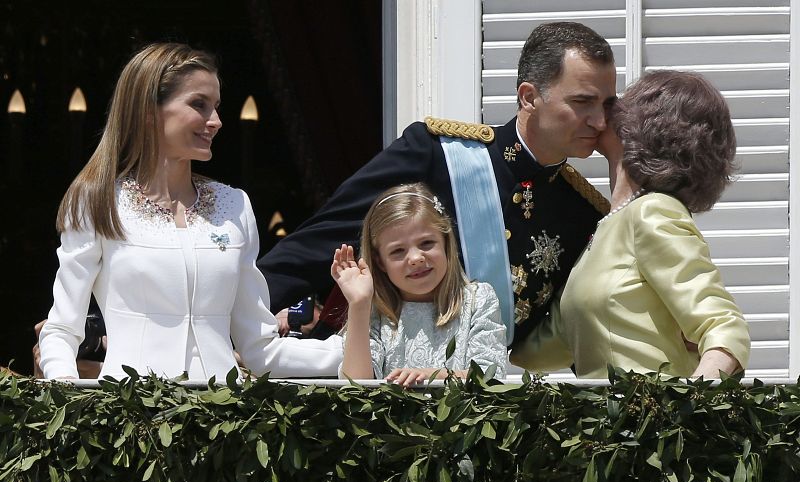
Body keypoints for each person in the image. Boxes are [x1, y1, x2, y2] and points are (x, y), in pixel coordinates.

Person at [258, 21, 617, 361]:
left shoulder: (581, 212)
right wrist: (243, 324)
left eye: (607, 105)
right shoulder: (437, 155)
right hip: (380, 389)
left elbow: (569, 333)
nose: (600, 122)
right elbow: (318, 246)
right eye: (583, 102)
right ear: (528, 97)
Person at [38, 43, 341, 380]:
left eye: (216, 107)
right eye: (199, 105)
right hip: (129, 419)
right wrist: (67, 403)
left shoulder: (234, 204)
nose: (216, 121)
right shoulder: (97, 199)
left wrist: (370, 352)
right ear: (148, 111)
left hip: (228, 419)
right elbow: (62, 330)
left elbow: (260, 348)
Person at [512, 70, 750, 378]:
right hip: (603, 423)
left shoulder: (653, 211)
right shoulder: (606, 228)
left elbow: (722, 325)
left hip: (652, 421)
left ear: (643, 126)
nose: (606, 113)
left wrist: (690, 405)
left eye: (619, 104)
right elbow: (538, 351)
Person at [332, 183, 507, 386]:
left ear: (446, 243)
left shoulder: (478, 299)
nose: (415, 258)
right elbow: (355, 388)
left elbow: (491, 375)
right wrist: (359, 304)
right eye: (398, 251)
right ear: (380, 261)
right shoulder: (374, 311)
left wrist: (431, 376)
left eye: (426, 243)